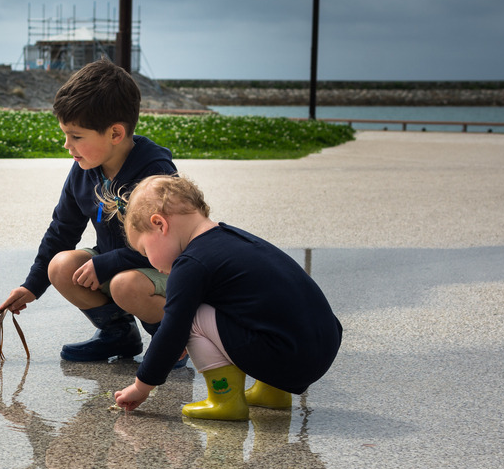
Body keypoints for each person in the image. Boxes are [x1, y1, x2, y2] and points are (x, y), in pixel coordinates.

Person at [111, 174, 343, 421]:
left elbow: (172, 330)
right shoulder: (234, 239)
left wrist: (142, 386)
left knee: (192, 316)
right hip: (321, 346)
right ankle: (272, 393)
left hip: (288, 359)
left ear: (160, 224)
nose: (151, 263)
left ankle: (224, 400)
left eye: (145, 250)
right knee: (251, 308)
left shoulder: (190, 264)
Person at [0, 59, 179, 366]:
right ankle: (118, 333)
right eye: (65, 134)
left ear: (115, 133)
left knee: (126, 285)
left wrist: (109, 263)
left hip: (162, 272)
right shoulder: (84, 170)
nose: (66, 144)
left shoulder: (155, 173)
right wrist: (32, 286)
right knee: (60, 266)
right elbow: (62, 230)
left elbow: (170, 246)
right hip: (114, 265)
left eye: (76, 136)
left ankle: (172, 339)